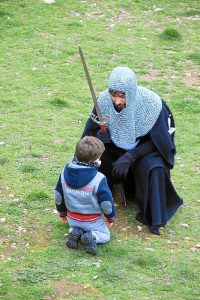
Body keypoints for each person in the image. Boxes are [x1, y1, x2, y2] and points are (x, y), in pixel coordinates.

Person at [81, 66, 183, 235]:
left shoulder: (152, 104)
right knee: (94, 155)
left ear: (132, 92)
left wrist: (131, 155)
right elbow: (89, 134)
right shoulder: (104, 103)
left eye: (122, 96)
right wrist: (100, 136)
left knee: (154, 166)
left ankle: (152, 215)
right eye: (114, 95)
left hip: (144, 152)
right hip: (114, 150)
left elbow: (159, 142)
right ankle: (94, 200)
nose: (117, 101)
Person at [54, 136, 115, 255]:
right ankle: (92, 236)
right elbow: (106, 203)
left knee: (75, 226)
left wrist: (62, 214)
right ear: (96, 160)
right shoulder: (99, 178)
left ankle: (75, 231)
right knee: (105, 235)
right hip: (92, 220)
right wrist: (110, 217)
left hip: (72, 218)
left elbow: (58, 196)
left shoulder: (64, 173)